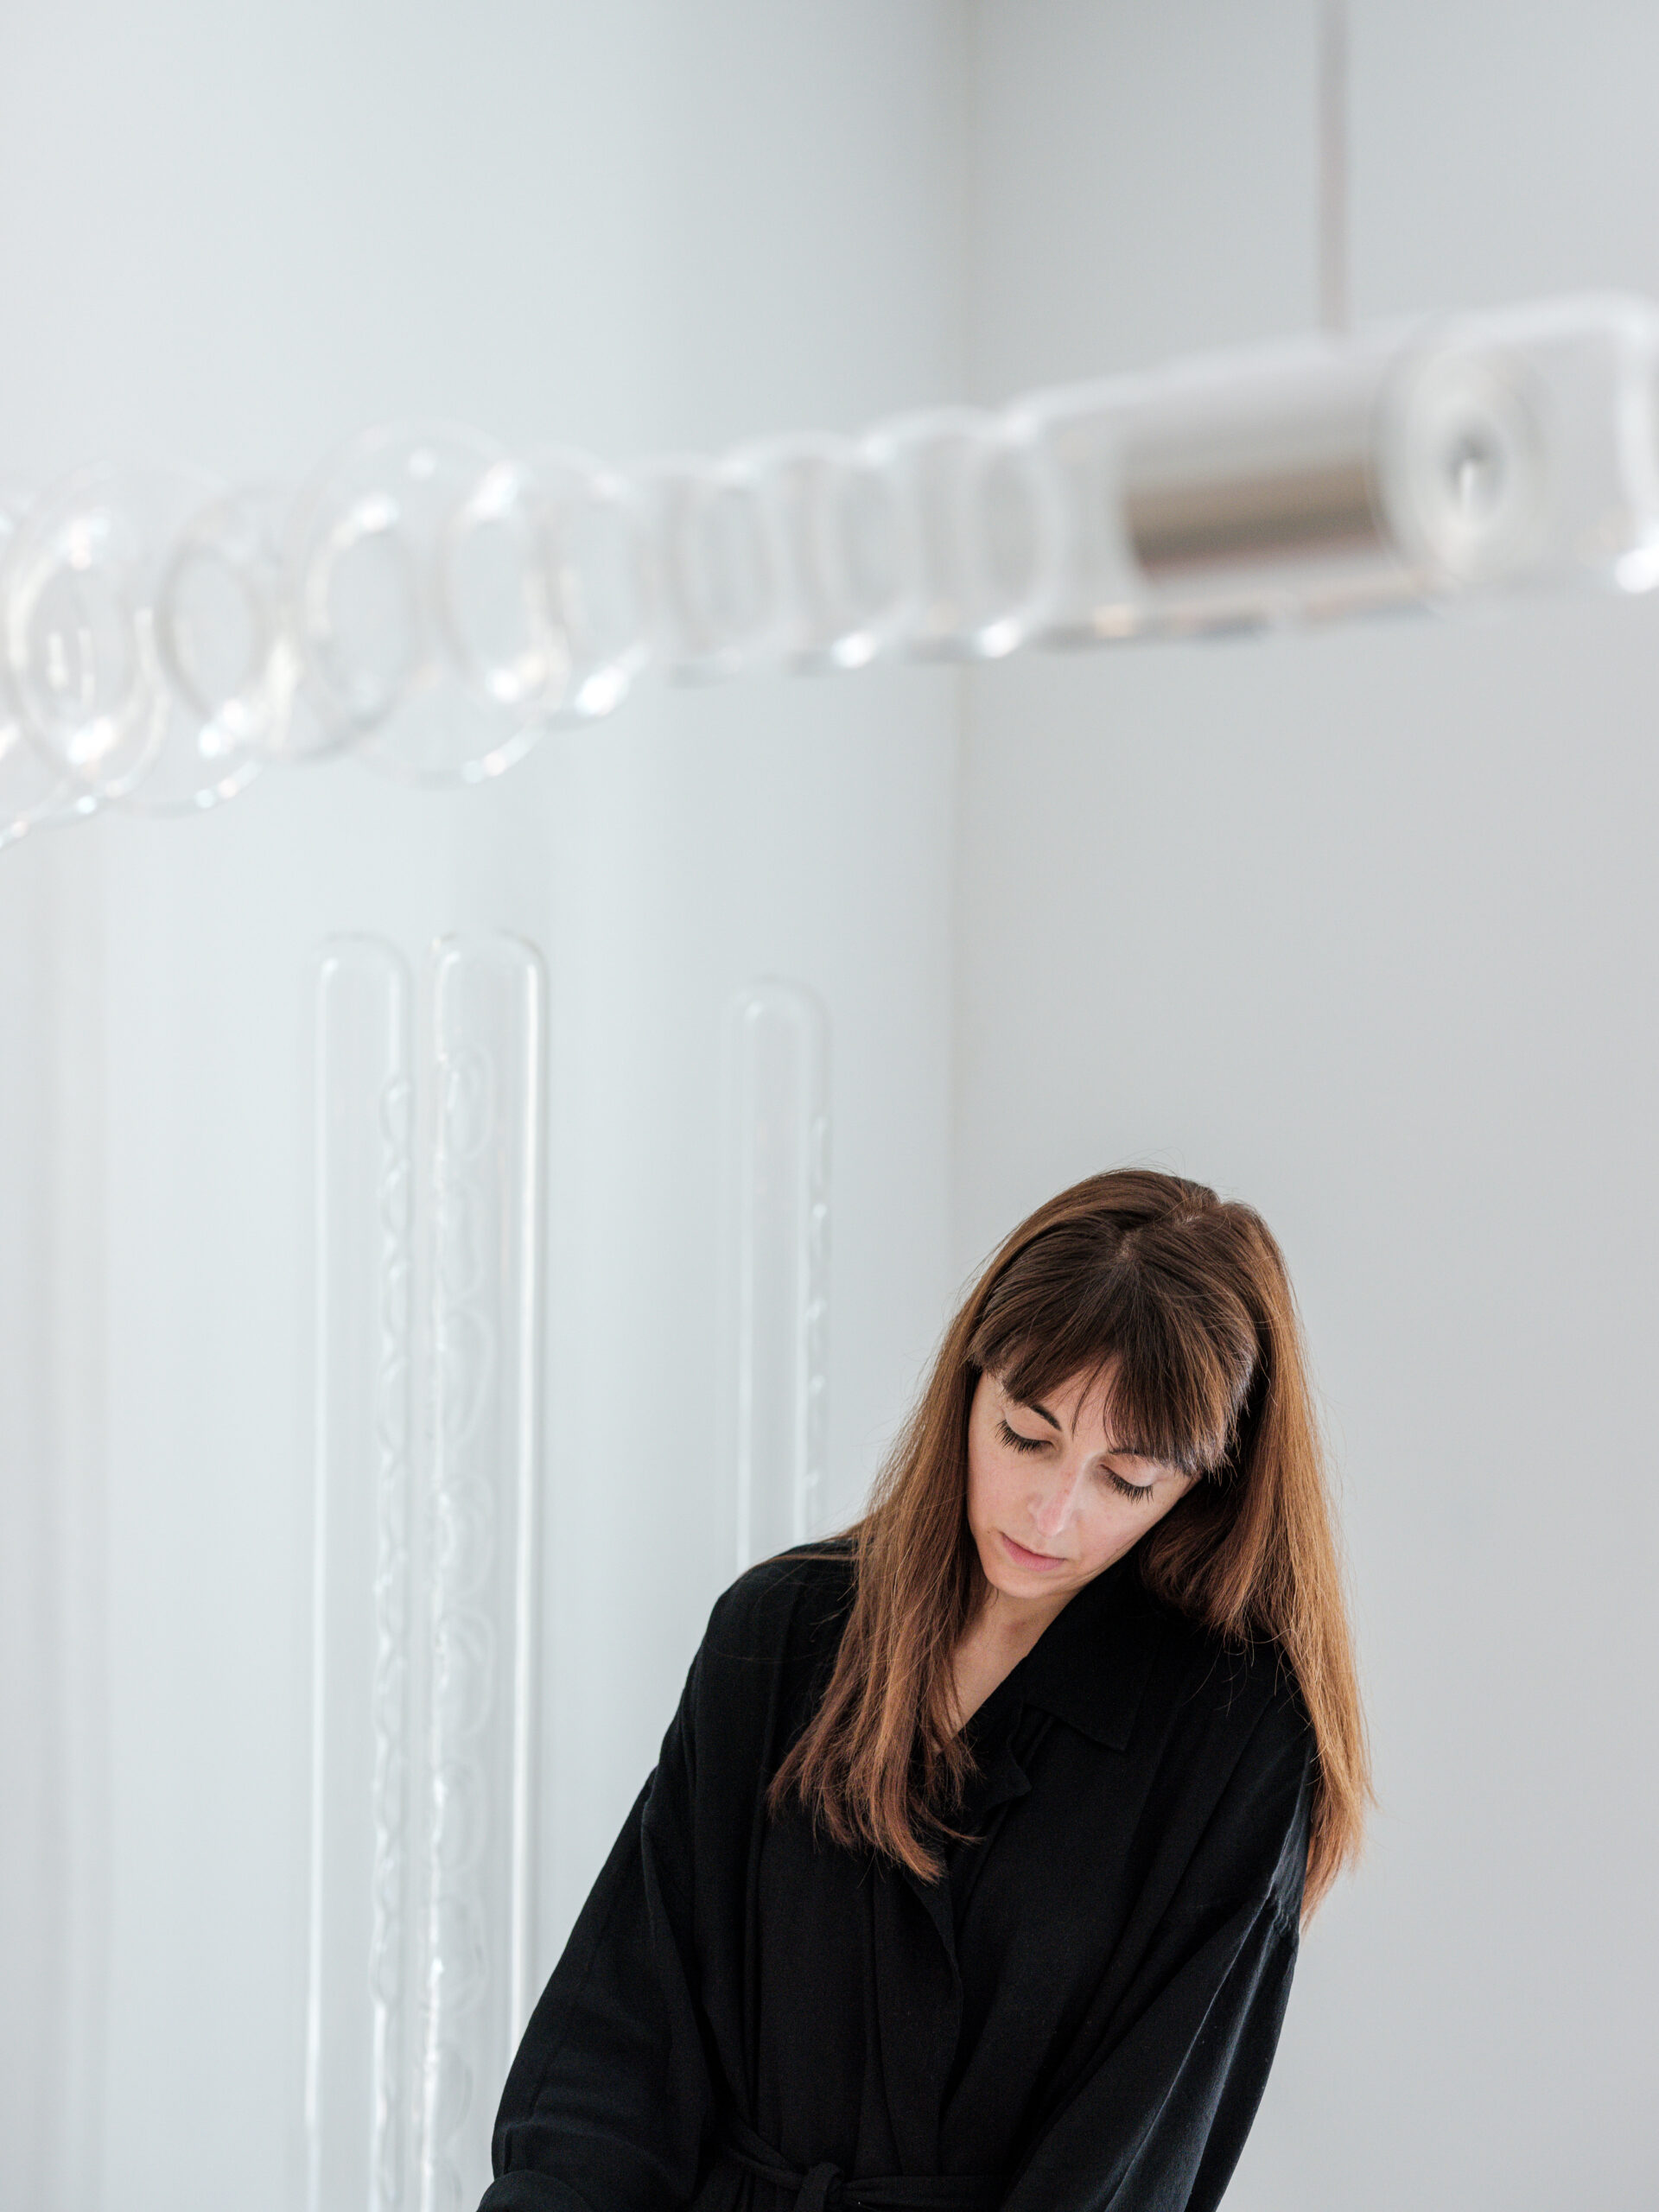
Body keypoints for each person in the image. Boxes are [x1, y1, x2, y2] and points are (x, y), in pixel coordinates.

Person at [479, 1169, 1370, 2212]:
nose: (1051, 1513)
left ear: (1205, 1484)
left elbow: (1127, 2165)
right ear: (969, 1386)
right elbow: (618, 2035)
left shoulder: (1233, 1740)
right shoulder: (780, 1634)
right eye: (1026, 1435)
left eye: (1127, 1479)